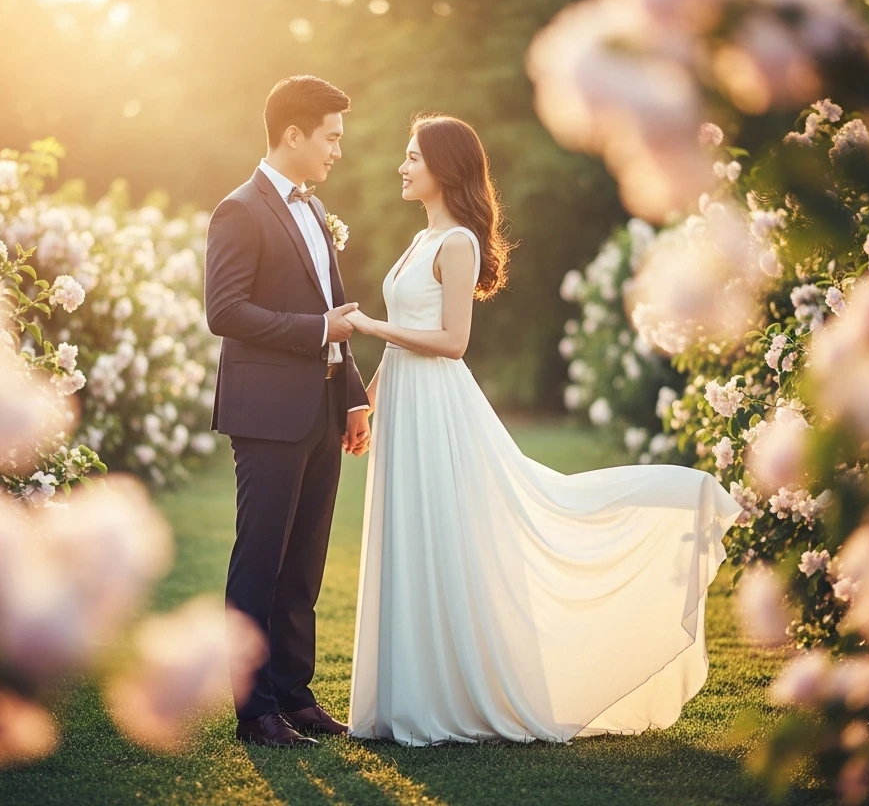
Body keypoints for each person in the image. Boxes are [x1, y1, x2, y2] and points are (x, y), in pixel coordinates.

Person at [345, 114, 744, 745]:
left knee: (463, 528)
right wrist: (367, 401)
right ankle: (410, 693)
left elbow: (451, 342)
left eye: (412, 156)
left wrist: (368, 327)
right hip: (406, 403)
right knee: (412, 533)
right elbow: (407, 337)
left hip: (440, 407)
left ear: (444, 168)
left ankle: (681, 500)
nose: (402, 166)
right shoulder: (420, 240)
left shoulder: (456, 244)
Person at [204, 75, 371, 747]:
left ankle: (296, 696)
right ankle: (254, 709)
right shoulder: (239, 210)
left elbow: (337, 310)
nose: (337, 151)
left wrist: (354, 397)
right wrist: (313, 331)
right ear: (293, 134)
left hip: (322, 413)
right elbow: (225, 311)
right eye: (330, 138)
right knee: (261, 560)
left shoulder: (313, 208)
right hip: (268, 414)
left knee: (303, 564)